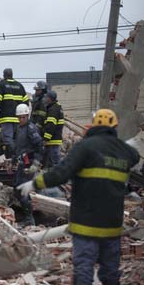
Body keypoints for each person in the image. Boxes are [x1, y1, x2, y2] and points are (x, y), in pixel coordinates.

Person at [18, 109, 140, 285]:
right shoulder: (124, 151)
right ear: (114, 126)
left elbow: (61, 173)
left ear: (94, 124)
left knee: (84, 269)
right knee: (110, 272)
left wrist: (35, 184)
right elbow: (134, 157)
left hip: (85, 223)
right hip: (112, 224)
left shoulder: (85, 146)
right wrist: (124, 146)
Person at [0, 68, 29, 165]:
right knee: (17, 141)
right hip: (19, 119)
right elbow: (26, 103)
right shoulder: (20, 86)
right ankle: (19, 161)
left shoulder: (1, 85)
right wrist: (24, 117)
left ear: (4, 75)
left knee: (8, 140)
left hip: (6, 118)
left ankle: (14, 160)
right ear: (12, 74)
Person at [12, 103, 43, 226]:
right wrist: (13, 159)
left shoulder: (31, 129)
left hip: (29, 164)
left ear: (27, 115)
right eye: (19, 117)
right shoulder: (19, 128)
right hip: (21, 163)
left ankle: (30, 219)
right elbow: (19, 147)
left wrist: (35, 163)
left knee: (23, 190)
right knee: (17, 189)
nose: (21, 119)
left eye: (23, 117)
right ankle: (27, 216)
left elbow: (40, 147)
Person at [43, 90, 63, 168]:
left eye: (46, 97)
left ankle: (58, 179)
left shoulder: (53, 109)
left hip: (52, 141)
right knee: (53, 164)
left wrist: (46, 139)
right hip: (54, 140)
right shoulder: (56, 107)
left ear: (49, 98)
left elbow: (51, 125)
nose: (45, 99)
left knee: (54, 164)